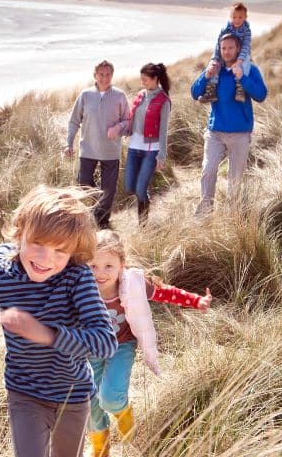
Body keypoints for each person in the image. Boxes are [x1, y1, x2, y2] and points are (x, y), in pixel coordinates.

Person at [0, 185, 118, 457]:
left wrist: (48, 335)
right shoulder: (1, 280)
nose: (46, 259)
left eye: (60, 251)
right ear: (20, 235)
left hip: (73, 395)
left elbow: (106, 342)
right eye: (38, 244)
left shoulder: (77, 278)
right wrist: (18, 240)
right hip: (24, 393)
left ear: (73, 253)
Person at [86, 229, 212, 456]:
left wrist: (195, 300)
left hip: (121, 345)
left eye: (108, 266)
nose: (100, 273)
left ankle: (123, 413)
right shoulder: (80, 286)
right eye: (92, 265)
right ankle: (100, 450)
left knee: (110, 398)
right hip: (91, 350)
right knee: (91, 403)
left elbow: (164, 293)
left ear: (121, 265)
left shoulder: (133, 284)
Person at [190, 33, 268, 215]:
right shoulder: (214, 69)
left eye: (230, 48)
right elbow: (194, 93)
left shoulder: (249, 69)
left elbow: (261, 95)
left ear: (238, 49)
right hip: (215, 131)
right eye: (223, 48)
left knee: (235, 179)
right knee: (208, 170)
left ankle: (232, 218)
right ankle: (204, 215)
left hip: (240, 133)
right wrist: (207, 74)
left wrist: (242, 78)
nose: (226, 51)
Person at [65, 60, 131, 229]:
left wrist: (118, 127)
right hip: (88, 149)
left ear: (112, 75)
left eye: (108, 74)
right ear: (95, 76)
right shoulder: (85, 95)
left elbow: (128, 121)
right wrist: (69, 144)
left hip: (111, 151)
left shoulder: (120, 95)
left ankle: (101, 222)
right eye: (101, 74)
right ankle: (99, 206)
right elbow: (74, 121)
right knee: (83, 182)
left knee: (109, 189)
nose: (104, 78)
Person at [119, 63, 172, 226]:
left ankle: (143, 224)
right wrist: (123, 130)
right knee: (129, 186)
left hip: (151, 150)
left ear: (155, 79)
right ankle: (144, 201)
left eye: (145, 80)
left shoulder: (164, 100)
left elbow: (163, 130)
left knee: (141, 189)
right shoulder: (141, 95)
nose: (142, 83)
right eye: (141, 80)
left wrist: (161, 155)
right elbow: (131, 119)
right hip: (134, 147)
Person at [198, 2, 253, 104]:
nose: (236, 20)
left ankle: (240, 89)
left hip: (242, 54)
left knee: (246, 63)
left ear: (245, 17)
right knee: (215, 64)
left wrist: (239, 60)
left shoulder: (246, 31)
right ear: (230, 16)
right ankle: (211, 90)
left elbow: (246, 46)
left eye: (240, 17)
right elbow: (219, 44)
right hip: (227, 52)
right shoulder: (226, 28)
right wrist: (215, 58)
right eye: (234, 17)